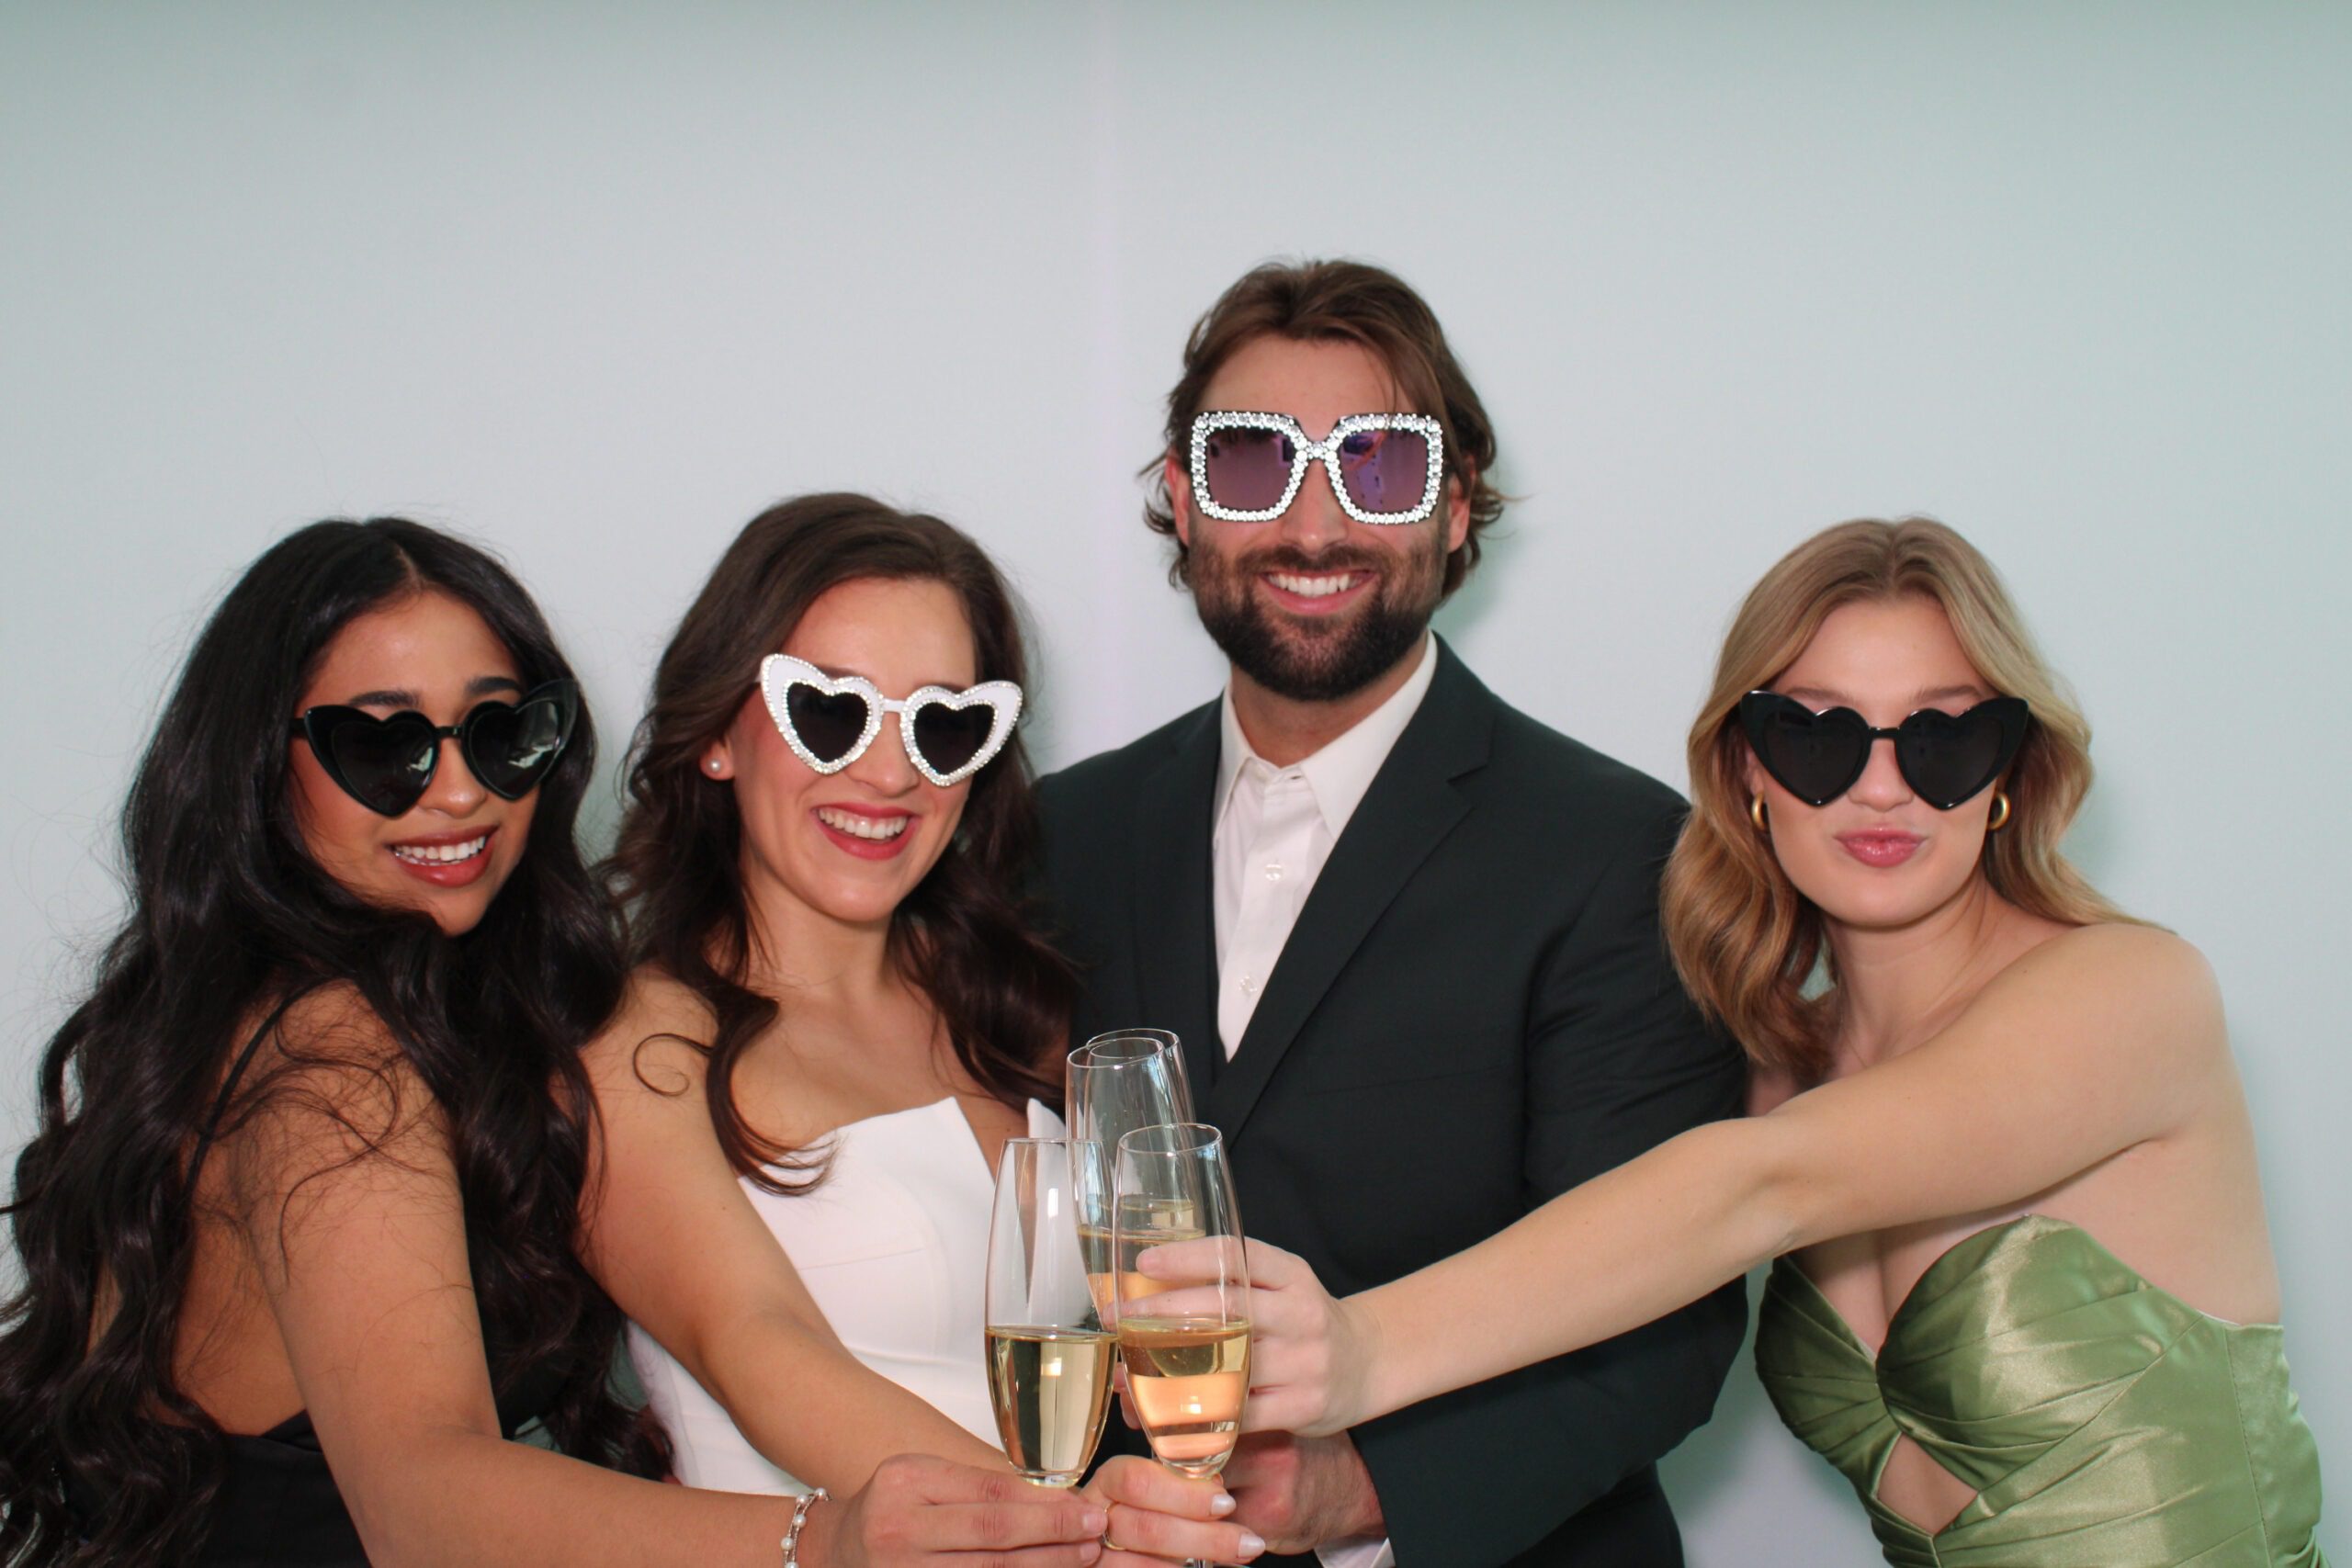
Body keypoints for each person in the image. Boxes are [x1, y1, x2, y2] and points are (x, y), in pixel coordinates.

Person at [0, 517, 1133, 1566]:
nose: (456, 793)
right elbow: (420, 1500)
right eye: (383, 745)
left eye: (500, 735)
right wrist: (826, 1542)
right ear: (260, 762)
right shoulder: (333, 1048)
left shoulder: (432, 1029)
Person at [1221, 518, 2329, 1566]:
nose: (1881, 785)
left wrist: (1356, 1350)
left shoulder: (2133, 996)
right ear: (1748, 770)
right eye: (1818, 734)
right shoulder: (1774, 1064)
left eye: (1944, 735)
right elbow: (1569, 1235)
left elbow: (1761, 1185)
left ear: (2008, 771)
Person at [1034, 260, 1749, 1566]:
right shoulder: (1055, 835)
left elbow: (1671, 1317)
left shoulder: (1621, 853)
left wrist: (1363, 1488)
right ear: (1185, 502)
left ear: (1457, 506)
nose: (1315, 526)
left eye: (1376, 466)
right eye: (1254, 464)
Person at [584, 494, 1258, 1567]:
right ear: (716, 734)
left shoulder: (1013, 1013)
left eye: (945, 725)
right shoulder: (641, 1040)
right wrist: (1095, 1537)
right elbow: (764, 1352)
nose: (893, 773)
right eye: (831, 712)